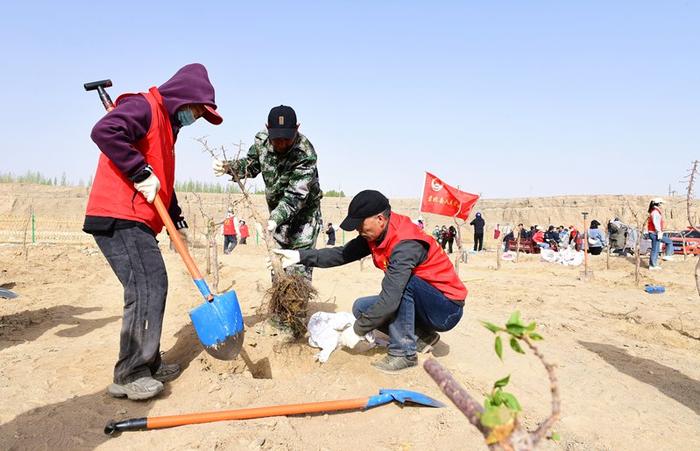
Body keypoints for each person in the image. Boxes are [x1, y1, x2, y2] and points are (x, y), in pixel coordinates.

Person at [82, 63, 223, 400]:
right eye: (197, 111)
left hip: (138, 217)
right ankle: (130, 372)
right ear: (183, 99)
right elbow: (104, 131)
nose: (196, 118)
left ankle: (149, 362)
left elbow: (161, 183)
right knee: (147, 286)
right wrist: (138, 169)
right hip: (118, 215)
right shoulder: (144, 106)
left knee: (151, 285)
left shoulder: (167, 129)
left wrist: (176, 218)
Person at [270, 190, 467, 373]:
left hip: (446, 309)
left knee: (401, 287)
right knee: (362, 308)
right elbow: (341, 254)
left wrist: (357, 330)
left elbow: (391, 300)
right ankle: (422, 337)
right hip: (425, 303)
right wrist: (299, 256)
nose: (357, 230)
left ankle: (403, 354)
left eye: (360, 224)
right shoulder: (377, 234)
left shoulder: (406, 244)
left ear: (380, 219)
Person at [213, 105, 322, 280]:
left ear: (297, 128)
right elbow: (251, 165)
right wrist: (228, 167)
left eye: (287, 138)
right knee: (277, 266)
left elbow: (295, 196)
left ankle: (298, 305)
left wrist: (273, 220)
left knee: (298, 270)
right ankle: (280, 305)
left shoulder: (305, 153)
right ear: (267, 128)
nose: (282, 144)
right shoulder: (261, 142)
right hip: (277, 218)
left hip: (304, 218)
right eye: (277, 139)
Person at [647, 198, 674, 269]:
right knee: (658, 248)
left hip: (654, 233)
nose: (662, 205)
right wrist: (659, 231)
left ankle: (653, 265)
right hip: (655, 233)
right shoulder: (655, 212)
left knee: (655, 249)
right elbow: (656, 224)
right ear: (658, 204)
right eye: (661, 204)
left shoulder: (655, 212)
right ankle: (654, 264)